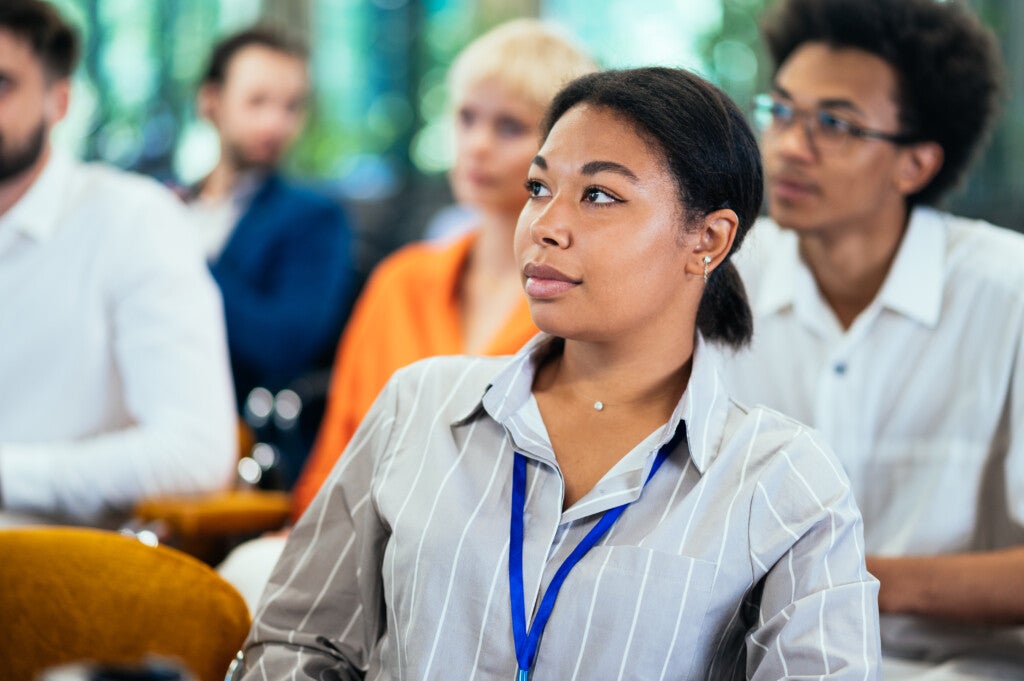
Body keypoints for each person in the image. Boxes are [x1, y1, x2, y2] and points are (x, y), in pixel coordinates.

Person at [236, 66, 881, 680]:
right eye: (539, 189)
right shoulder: (421, 404)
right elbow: (295, 642)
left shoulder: (781, 481)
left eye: (599, 195)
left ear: (707, 240)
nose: (545, 226)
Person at [217, 19, 596, 609]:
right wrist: (312, 536)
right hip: (367, 542)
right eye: (467, 118)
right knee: (248, 576)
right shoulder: (401, 280)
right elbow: (339, 454)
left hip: (503, 571)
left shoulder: (584, 301)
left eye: (510, 126)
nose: (477, 145)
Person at [718, 0, 1024, 677]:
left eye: (834, 123)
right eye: (783, 112)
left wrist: (843, 579)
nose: (790, 146)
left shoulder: (1010, 294)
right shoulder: (714, 276)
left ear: (914, 164)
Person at [0, 0, 236, 527]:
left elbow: (194, 453)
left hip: (57, 564)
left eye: (2, 85)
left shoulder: (132, 221)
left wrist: (10, 473)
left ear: (58, 103)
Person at [189, 27, 356, 423]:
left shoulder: (314, 219)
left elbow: (283, 346)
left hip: (236, 422)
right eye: (257, 101)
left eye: (291, 106)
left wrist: (181, 256)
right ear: (211, 102)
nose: (276, 124)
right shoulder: (164, 201)